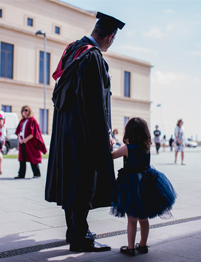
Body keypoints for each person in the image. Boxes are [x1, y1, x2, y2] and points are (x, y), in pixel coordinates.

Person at [45, 12, 125, 252]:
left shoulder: (74, 50)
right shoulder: (92, 57)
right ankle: (81, 239)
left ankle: (75, 231)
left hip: (66, 133)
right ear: (110, 37)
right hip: (84, 135)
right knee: (82, 184)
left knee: (73, 183)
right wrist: (106, 134)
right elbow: (94, 104)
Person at [111, 117, 177, 256]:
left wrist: (109, 144)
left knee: (131, 219)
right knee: (143, 217)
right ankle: (143, 245)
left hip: (131, 186)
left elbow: (110, 156)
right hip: (147, 184)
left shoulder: (127, 148)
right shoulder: (146, 147)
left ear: (129, 133)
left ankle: (130, 248)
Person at [14, 105, 47, 179]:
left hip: (30, 142)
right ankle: (21, 174)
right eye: (23, 110)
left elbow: (34, 133)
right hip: (22, 142)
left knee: (33, 158)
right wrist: (19, 139)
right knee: (22, 158)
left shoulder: (32, 120)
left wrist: (26, 139)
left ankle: (37, 174)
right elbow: (18, 131)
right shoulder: (22, 121)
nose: (24, 112)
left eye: (26, 110)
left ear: (29, 111)